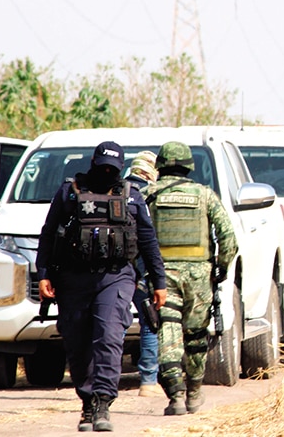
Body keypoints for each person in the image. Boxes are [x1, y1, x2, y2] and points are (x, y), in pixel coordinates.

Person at [36, 141, 167, 432]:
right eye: (103, 166)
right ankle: (87, 402)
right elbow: (48, 234)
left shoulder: (131, 195)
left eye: (113, 168)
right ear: (93, 163)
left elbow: (148, 241)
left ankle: (104, 401)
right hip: (73, 278)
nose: (107, 172)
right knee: (77, 342)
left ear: (121, 169)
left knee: (108, 336)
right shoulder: (69, 192)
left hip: (116, 277)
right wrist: (43, 274)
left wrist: (159, 281)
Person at [143, 141, 238, 416]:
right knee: (196, 337)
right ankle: (194, 392)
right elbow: (229, 239)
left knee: (168, 332)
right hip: (199, 276)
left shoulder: (149, 194)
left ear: (159, 165)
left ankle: (175, 396)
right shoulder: (205, 195)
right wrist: (220, 268)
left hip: (162, 276)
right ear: (188, 166)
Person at [127, 151, 163, 397]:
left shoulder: (117, 190)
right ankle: (148, 381)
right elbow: (151, 240)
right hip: (142, 269)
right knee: (150, 321)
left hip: (113, 270)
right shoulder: (151, 194)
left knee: (111, 323)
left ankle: (103, 377)